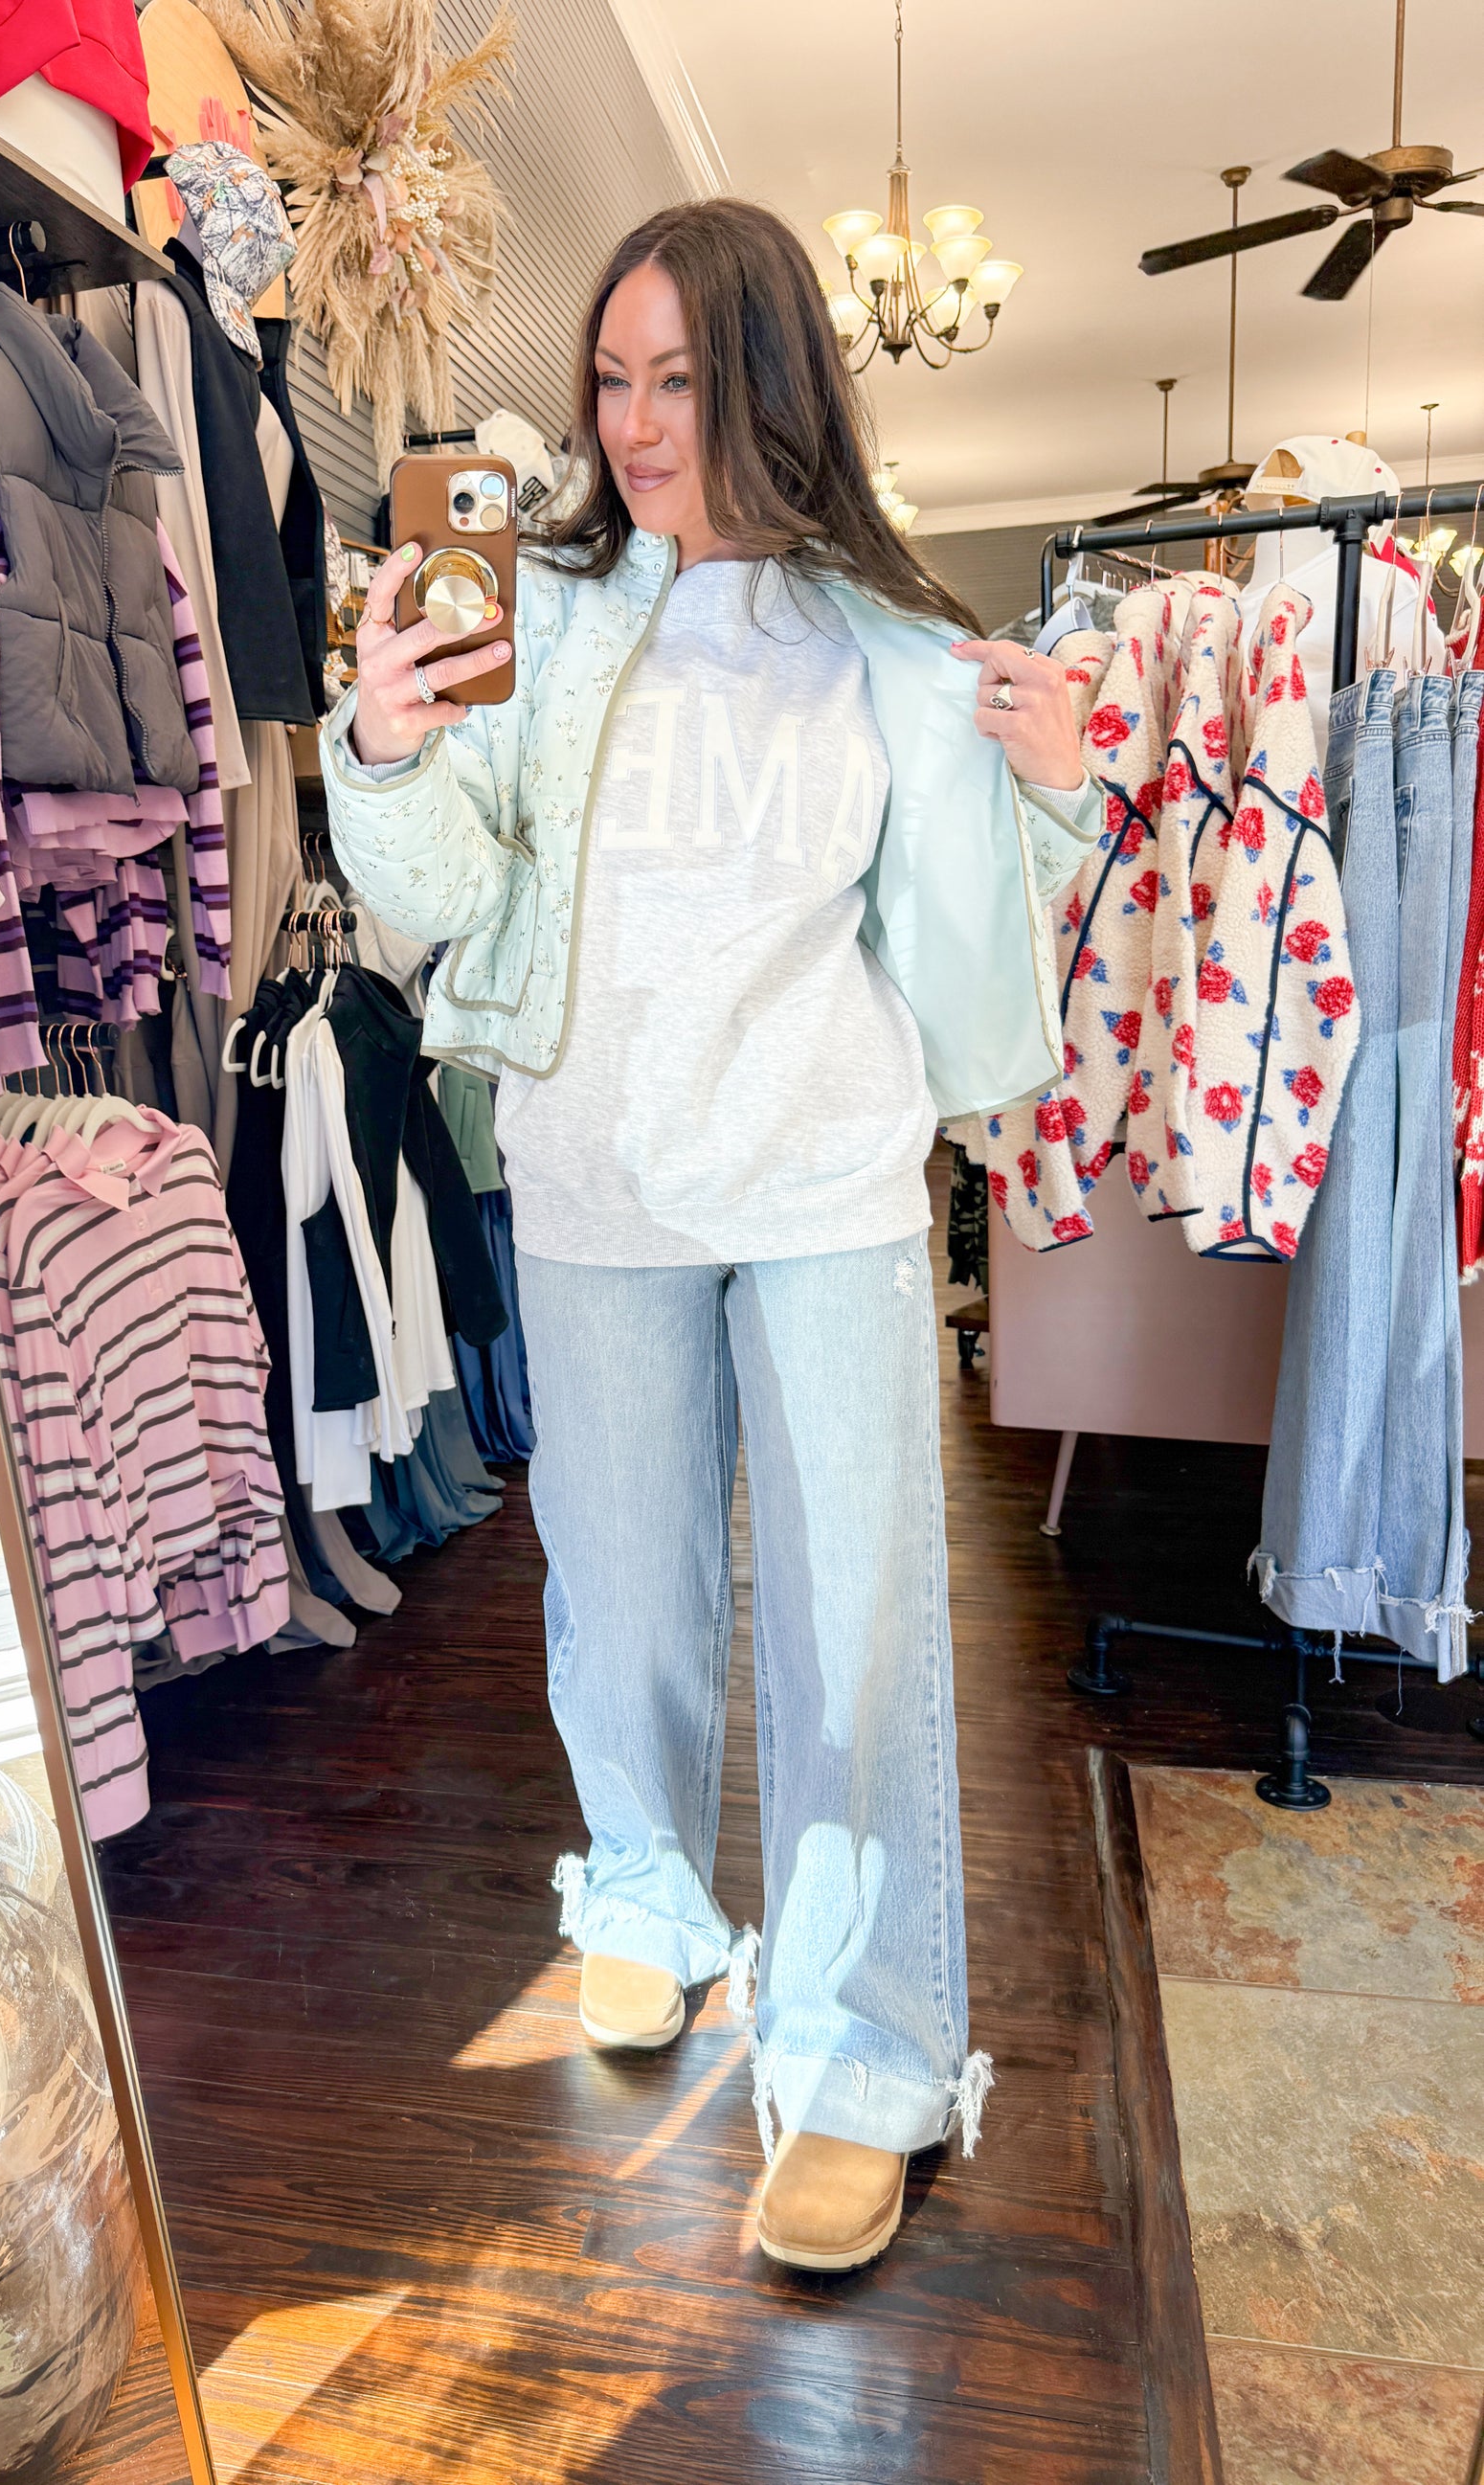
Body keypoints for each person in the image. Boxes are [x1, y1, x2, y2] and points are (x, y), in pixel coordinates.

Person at [320, 198, 1097, 2273]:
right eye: (610, 379)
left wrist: (1050, 789)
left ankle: (861, 2058)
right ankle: (652, 1899)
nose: (636, 423)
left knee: (853, 1628)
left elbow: (971, 915)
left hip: (824, 1182)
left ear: (769, 381)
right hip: (595, 1180)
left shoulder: (890, 638)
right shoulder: (543, 613)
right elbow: (439, 888)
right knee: (625, 1593)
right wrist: (382, 744)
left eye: (678, 378)